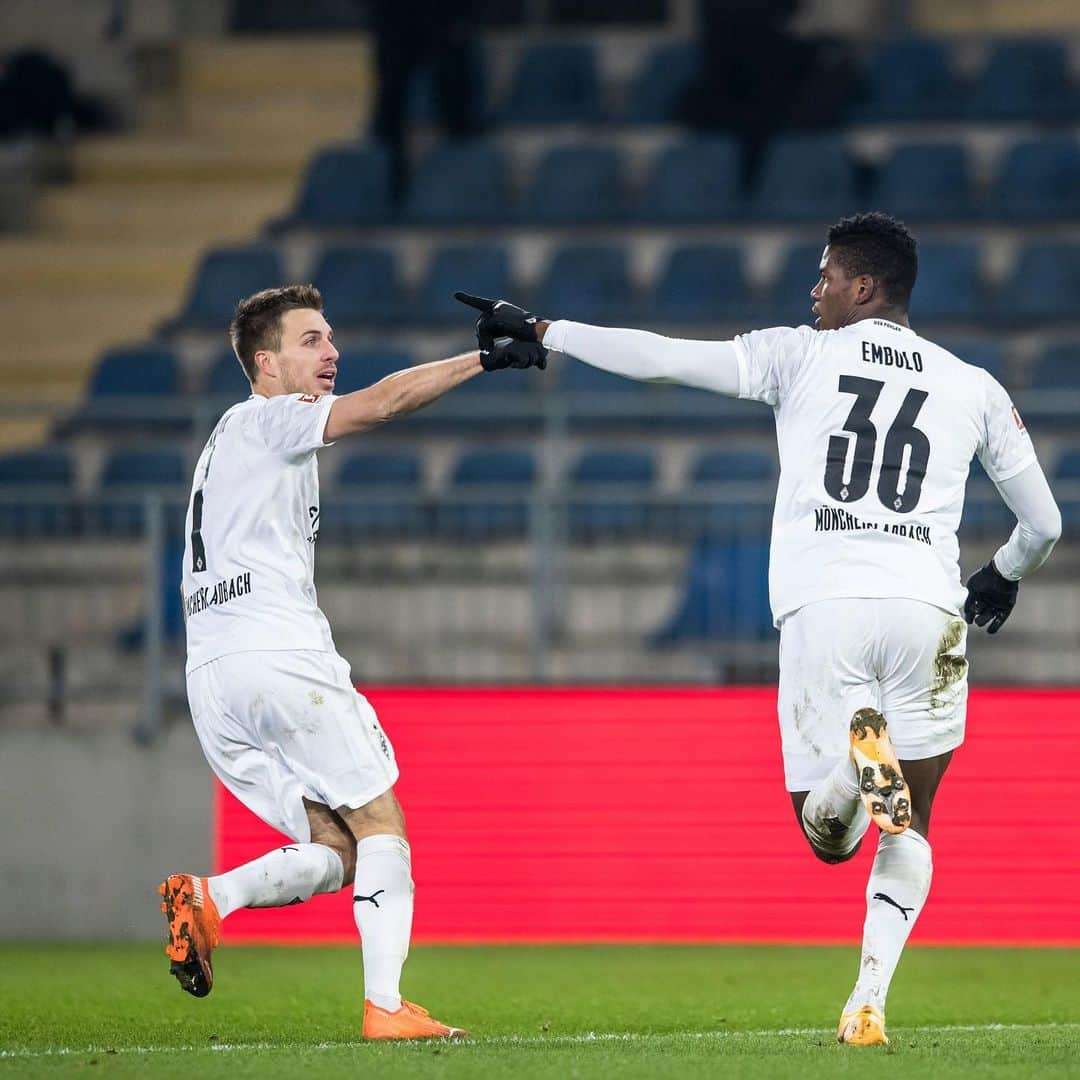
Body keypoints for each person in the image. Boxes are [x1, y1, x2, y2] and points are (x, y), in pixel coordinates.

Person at [455, 212, 1062, 1045]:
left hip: (827, 606)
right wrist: (1002, 575)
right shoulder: (976, 384)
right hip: (932, 609)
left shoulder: (799, 355)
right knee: (910, 828)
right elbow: (1044, 523)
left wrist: (551, 331)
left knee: (828, 840)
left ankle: (856, 767)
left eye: (824, 277)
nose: (812, 291)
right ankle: (869, 998)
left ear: (863, 287)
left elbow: (666, 358)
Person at [160, 284, 546, 1039]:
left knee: (332, 847)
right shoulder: (270, 420)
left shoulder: (225, 444)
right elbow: (382, 404)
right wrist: (481, 360)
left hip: (212, 678)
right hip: (279, 657)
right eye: (311, 340)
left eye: (331, 337)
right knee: (380, 823)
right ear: (265, 364)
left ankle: (208, 900)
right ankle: (387, 1006)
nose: (331, 351)